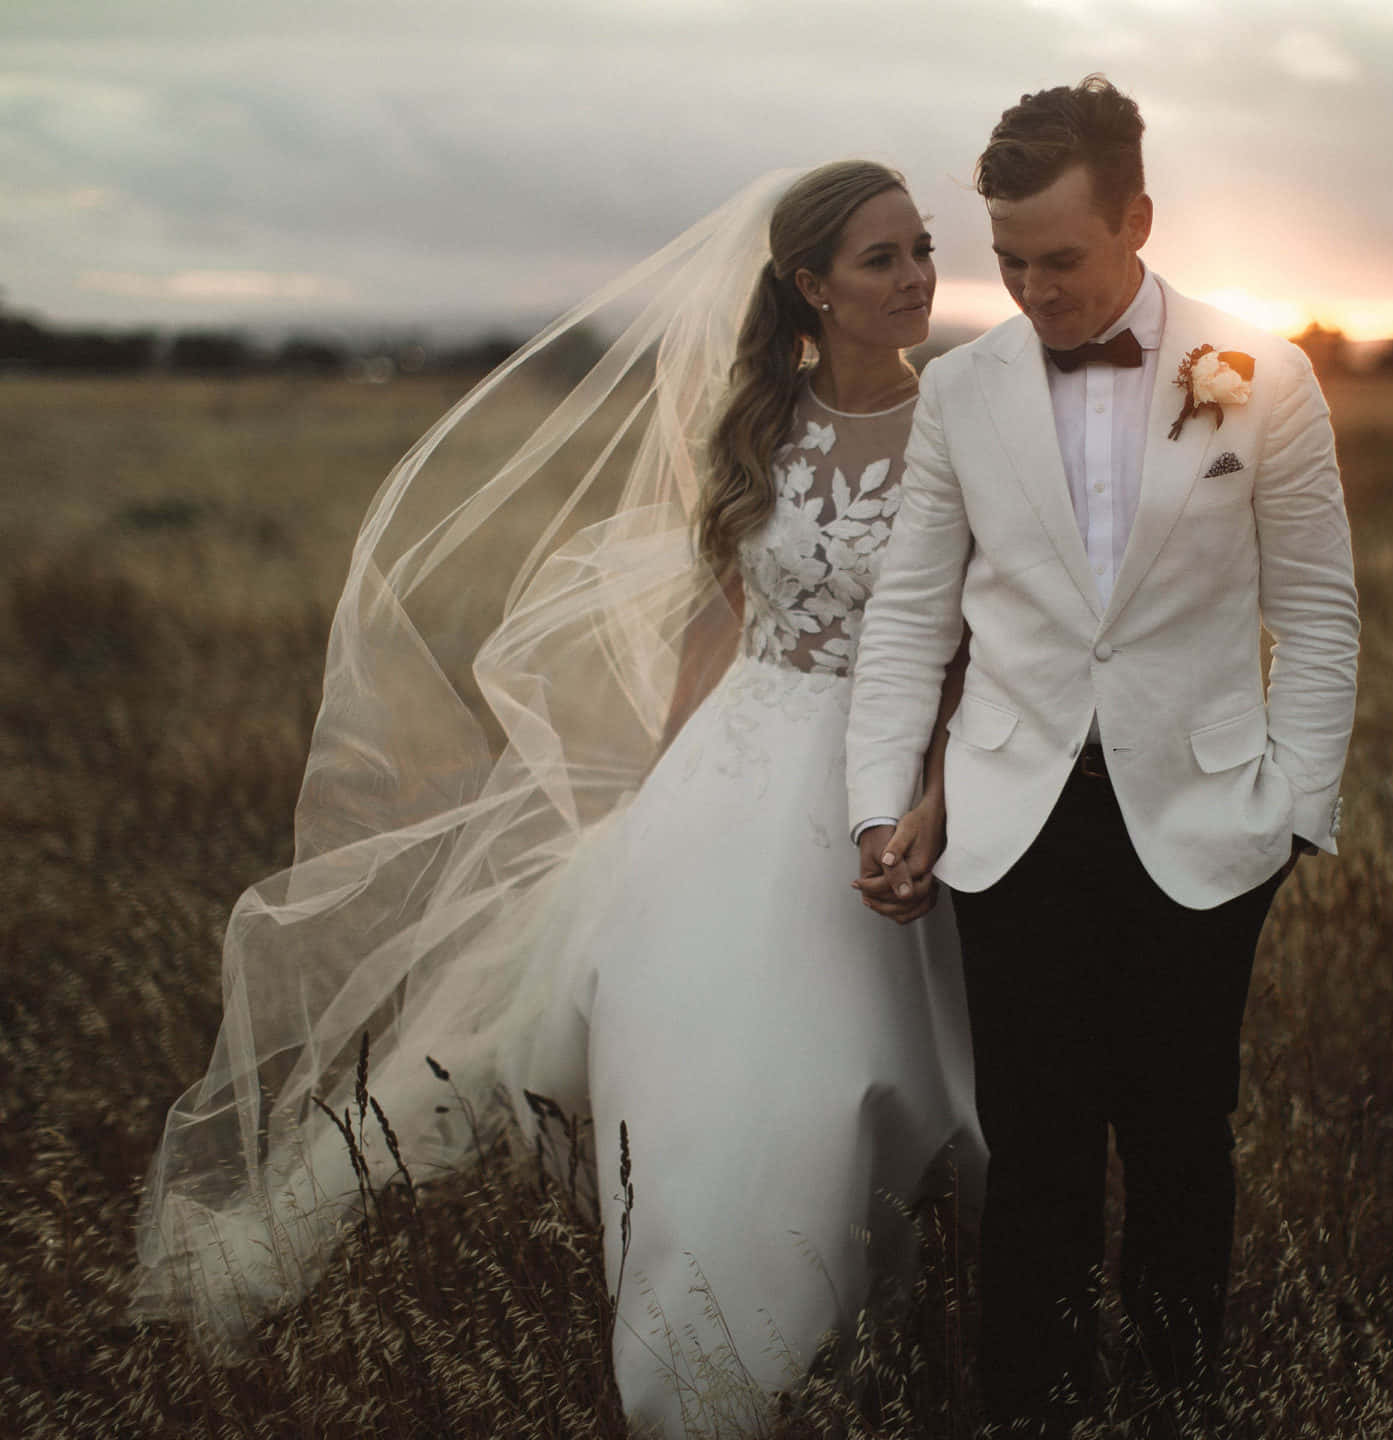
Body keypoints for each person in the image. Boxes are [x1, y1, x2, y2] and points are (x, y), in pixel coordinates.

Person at [133, 161, 981, 1440]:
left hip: (875, 780)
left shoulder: (967, 428)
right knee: (700, 1060)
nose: (918, 276)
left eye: (924, 248)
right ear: (810, 286)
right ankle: (699, 1355)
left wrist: (927, 797)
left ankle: (825, 1330)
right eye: (883, 258)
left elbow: (966, 645)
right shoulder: (763, 419)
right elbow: (718, 620)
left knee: (840, 1066)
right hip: (734, 766)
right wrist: (659, 795)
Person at [846, 79, 1360, 1434]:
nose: (1032, 291)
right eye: (1007, 262)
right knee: (1038, 1155)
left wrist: (1297, 811)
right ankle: (1036, 1405)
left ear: (1138, 219)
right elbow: (910, 615)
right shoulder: (962, 390)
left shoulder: (1264, 373)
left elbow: (1315, 611)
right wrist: (874, 810)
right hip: (1011, 824)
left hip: (1208, 822)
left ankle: (1181, 1399)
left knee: (1184, 1142)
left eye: (1060, 260)